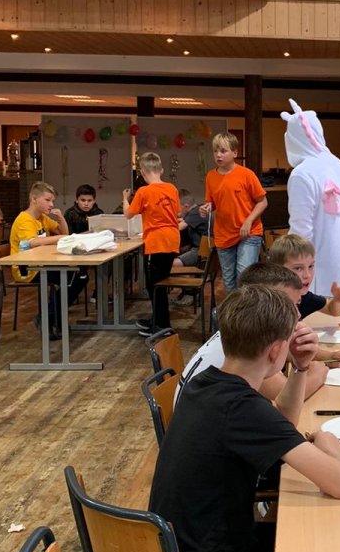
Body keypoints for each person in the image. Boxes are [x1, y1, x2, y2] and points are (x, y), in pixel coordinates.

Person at [149, 284, 340, 552]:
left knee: (297, 540)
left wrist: (302, 369)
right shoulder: (241, 408)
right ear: (276, 351)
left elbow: (281, 425)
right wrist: (331, 448)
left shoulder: (207, 383)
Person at [176, 261, 328, 414]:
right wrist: (317, 374)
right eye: (286, 304)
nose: (298, 314)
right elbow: (283, 398)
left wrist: (328, 356)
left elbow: (285, 351)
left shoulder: (240, 332)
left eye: (297, 304)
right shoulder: (249, 353)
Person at [281, 99, 340, 296]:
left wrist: (295, 271)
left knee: (319, 310)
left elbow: (300, 233)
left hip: (316, 263)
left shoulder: (302, 174)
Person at [10, 181, 85, 341]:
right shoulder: (24, 220)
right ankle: (51, 318)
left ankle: (49, 317)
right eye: (47, 200)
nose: (51, 204)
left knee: (79, 276)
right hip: (27, 269)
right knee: (72, 277)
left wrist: (61, 219)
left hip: (42, 263)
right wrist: (59, 238)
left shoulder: (42, 218)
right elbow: (32, 242)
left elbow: (63, 233)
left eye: (52, 201)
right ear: (34, 199)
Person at [200, 132, 267, 294]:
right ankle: (234, 310)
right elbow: (211, 203)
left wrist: (248, 221)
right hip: (224, 234)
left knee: (244, 277)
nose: (218, 155)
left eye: (223, 151)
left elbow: (263, 201)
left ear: (235, 153)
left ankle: (247, 309)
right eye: (216, 151)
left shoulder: (246, 174)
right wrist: (206, 208)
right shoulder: (211, 176)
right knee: (229, 281)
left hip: (249, 232)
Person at [123, 152, 180, 336]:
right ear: (161, 170)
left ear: (142, 172)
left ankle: (162, 326)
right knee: (160, 282)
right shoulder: (172, 188)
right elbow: (177, 212)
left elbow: (128, 214)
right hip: (172, 239)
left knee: (154, 285)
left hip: (156, 242)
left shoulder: (143, 192)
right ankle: (158, 320)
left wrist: (125, 199)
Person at [268, 233, 340, 320]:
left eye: (310, 266)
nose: (307, 275)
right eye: (298, 268)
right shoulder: (265, 300)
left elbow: (331, 310)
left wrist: (337, 300)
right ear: (277, 270)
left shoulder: (304, 297)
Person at [174, 189, 209, 268]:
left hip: (201, 251)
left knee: (174, 264)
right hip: (199, 249)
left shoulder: (196, 212)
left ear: (186, 206)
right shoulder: (196, 211)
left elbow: (179, 227)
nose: (177, 212)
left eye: (177, 208)